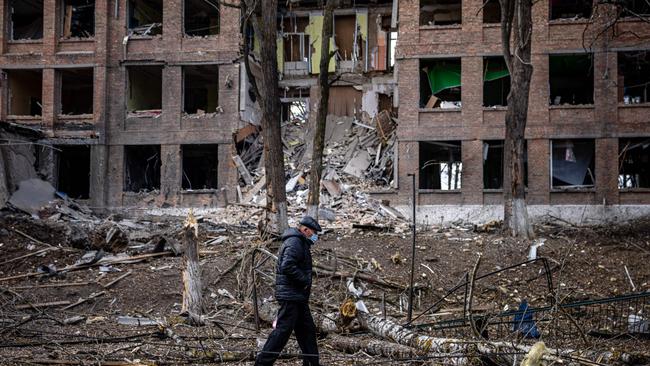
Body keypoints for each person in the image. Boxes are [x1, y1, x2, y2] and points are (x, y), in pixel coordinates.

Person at [255, 216, 322, 366]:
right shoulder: (295, 242)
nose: (315, 236)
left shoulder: (299, 242)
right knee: (282, 332)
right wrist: (305, 279)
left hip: (297, 296)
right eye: (313, 232)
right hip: (291, 295)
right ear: (305, 230)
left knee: (307, 331)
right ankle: (262, 363)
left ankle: (311, 363)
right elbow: (287, 265)